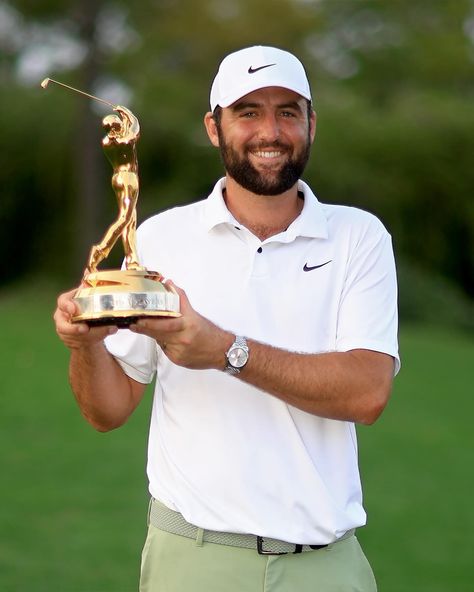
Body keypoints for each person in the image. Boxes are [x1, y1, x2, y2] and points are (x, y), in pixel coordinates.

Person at [54, 45, 399, 592]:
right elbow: (108, 410)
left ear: (312, 124)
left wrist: (223, 350)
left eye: (287, 111)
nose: (271, 131)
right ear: (214, 128)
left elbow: (367, 394)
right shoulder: (161, 239)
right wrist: (84, 344)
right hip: (193, 558)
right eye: (248, 112)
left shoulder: (359, 237)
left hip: (326, 563)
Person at [85, 105, 142, 276]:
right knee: (125, 219)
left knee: (130, 222)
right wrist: (126, 112)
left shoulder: (107, 142)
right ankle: (100, 250)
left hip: (118, 178)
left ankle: (132, 260)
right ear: (115, 127)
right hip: (127, 179)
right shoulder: (122, 140)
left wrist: (122, 115)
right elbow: (135, 128)